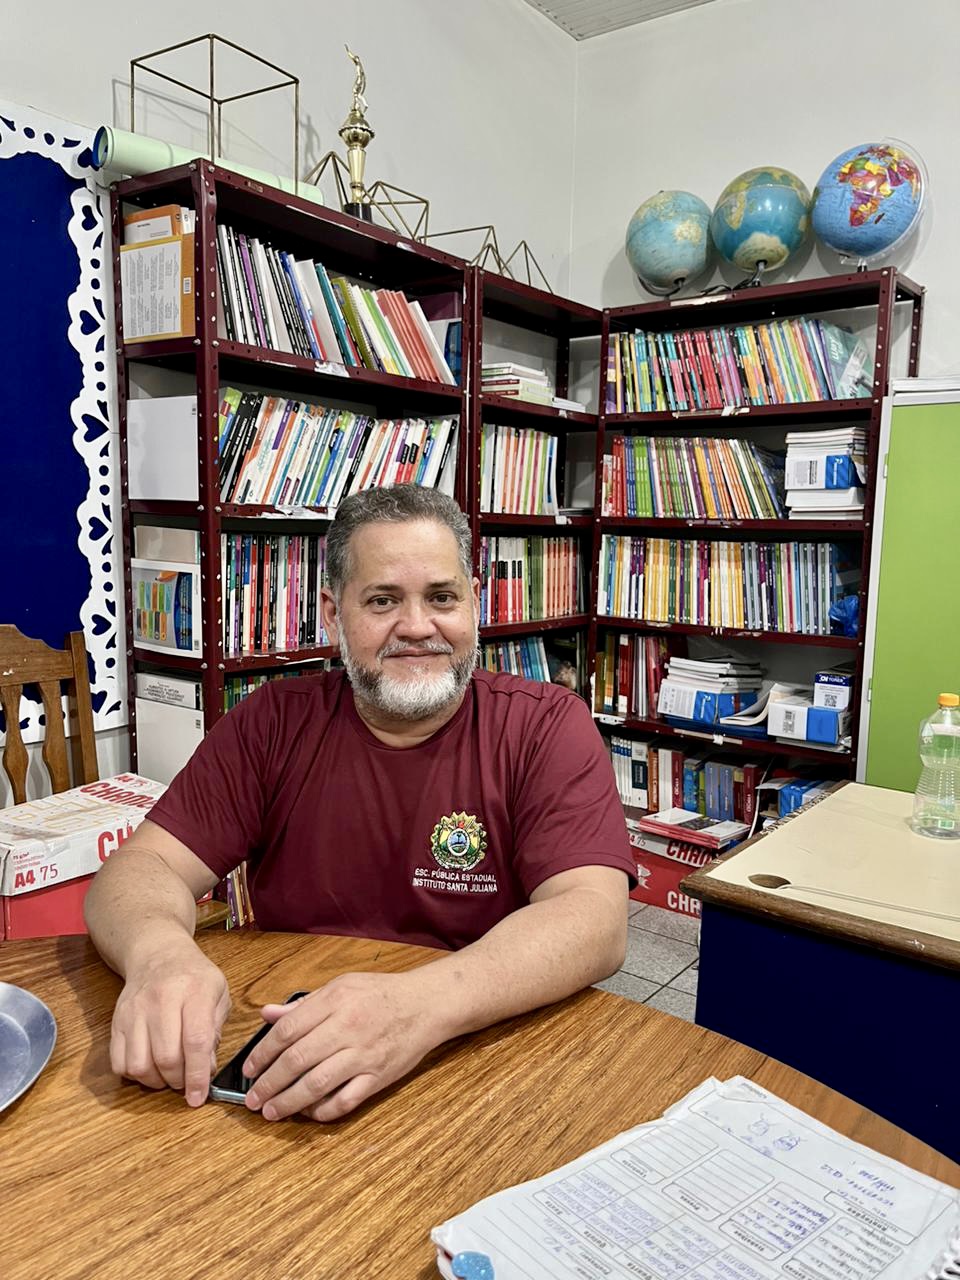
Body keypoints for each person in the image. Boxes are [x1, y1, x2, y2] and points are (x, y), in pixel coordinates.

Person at [85, 485, 635, 1123]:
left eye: (442, 597)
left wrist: (417, 1006)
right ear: (332, 613)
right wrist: (160, 956)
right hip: (290, 1061)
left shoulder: (547, 726)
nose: (417, 627)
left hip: (481, 1060)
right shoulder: (271, 722)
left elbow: (595, 921)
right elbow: (139, 872)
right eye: (382, 600)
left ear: (475, 603)